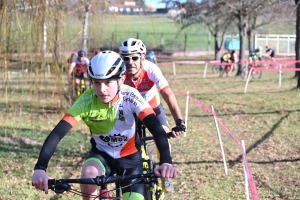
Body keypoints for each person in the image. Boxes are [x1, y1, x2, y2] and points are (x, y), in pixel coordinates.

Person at [32, 51, 177, 200]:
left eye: (108, 82)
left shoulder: (130, 96)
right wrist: (40, 169)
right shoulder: (86, 101)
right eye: (96, 82)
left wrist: (166, 161)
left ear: (121, 80)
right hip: (101, 156)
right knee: (88, 178)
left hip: (131, 161)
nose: (102, 90)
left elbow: (156, 128)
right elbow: (57, 134)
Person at [119, 38, 186, 138]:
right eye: (126, 58)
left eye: (135, 58)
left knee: (163, 136)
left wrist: (179, 121)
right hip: (130, 110)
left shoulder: (151, 69)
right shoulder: (119, 72)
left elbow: (168, 94)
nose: (130, 62)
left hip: (153, 107)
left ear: (143, 58)